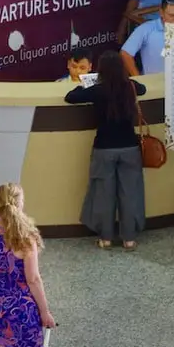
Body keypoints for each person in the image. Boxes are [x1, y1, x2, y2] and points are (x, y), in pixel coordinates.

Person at [64, 50, 146, 250]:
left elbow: (70, 96)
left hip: (104, 149)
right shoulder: (130, 87)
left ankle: (106, 238)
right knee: (130, 192)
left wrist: (88, 83)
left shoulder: (97, 90)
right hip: (129, 147)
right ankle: (129, 239)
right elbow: (142, 88)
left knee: (104, 193)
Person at [0, 183, 56, 347]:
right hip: (21, 307)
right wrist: (45, 312)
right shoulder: (26, 238)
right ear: (20, 204)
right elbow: (33, 279)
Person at [120, 0, 174, 76]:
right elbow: (125, 53)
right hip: (153, 84)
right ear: (161, 12)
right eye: (171, 15)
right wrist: (140, 80)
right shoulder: (146, 29)